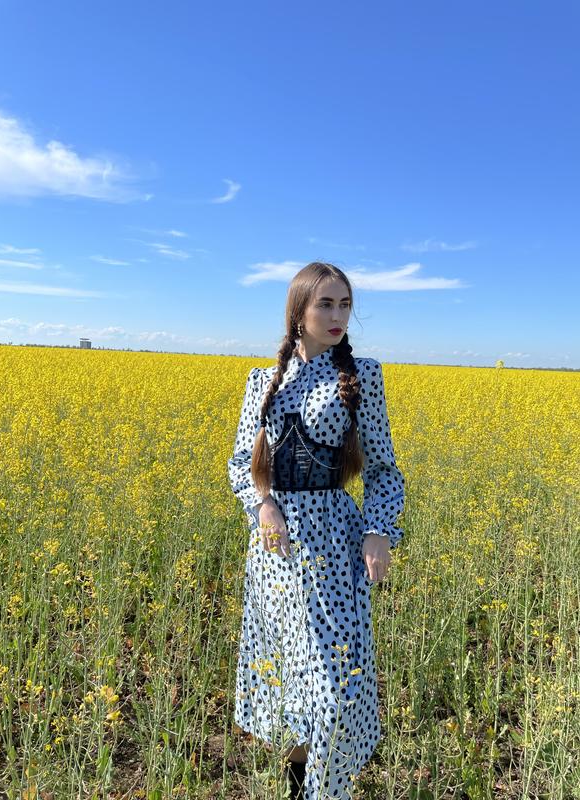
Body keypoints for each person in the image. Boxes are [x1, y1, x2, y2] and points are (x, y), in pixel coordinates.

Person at [228, 262, 405, 800]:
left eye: (345, 304)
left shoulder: (361, 375)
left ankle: (327, 791)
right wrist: (263, 506)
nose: (338, 315)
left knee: (336, 689)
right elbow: (240, 463)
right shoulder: (262, 381)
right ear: (298, 312)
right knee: (286, 683)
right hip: (276, 551)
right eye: (325, 303)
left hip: (333, 542)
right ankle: (298, 786)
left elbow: (383, 469)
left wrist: (378, 530)